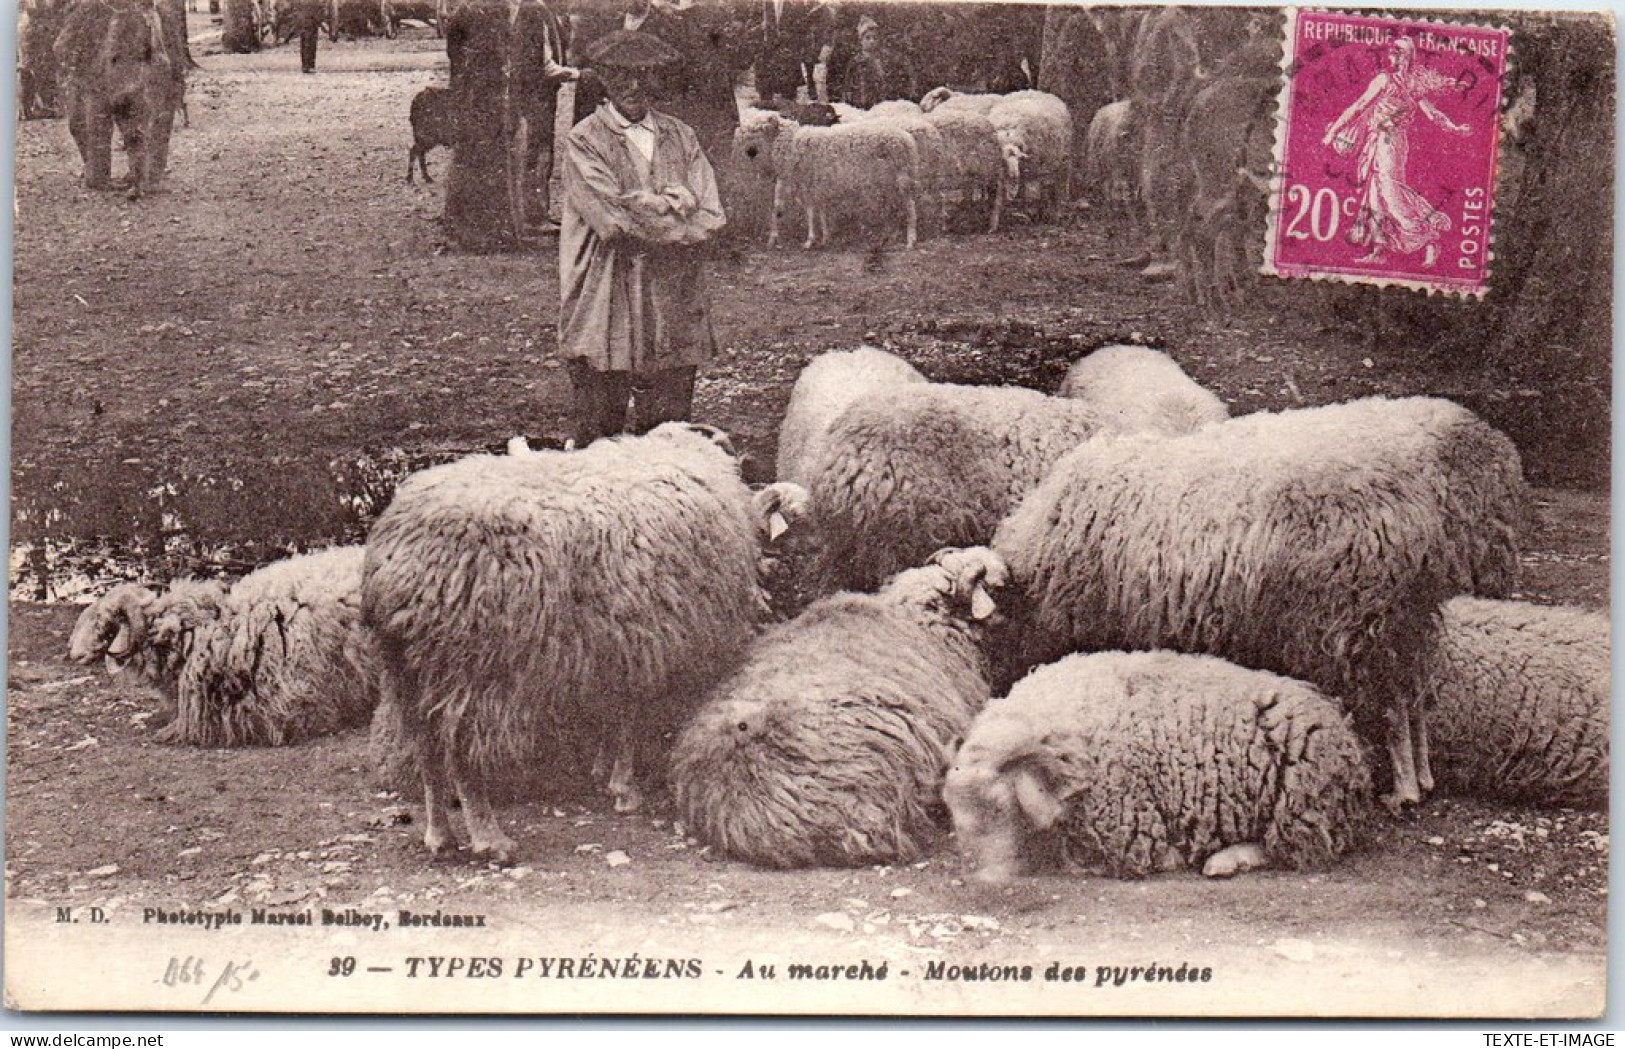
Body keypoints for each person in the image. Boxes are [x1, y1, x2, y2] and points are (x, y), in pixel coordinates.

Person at [557, 29, 726, 446]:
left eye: (643, 75)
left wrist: (651, 205)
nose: (633, 86)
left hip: (673, 297)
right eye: (621, 76)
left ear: (656, 78)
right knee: (599, 437)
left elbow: (712, 215)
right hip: (606, 297)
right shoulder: (584, 141)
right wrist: (676, 204)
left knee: (670, 434)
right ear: (605, 79)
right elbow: (613, 222)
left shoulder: (681, 136)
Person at [1323, 36, 1471, 268]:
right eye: (1392, 52)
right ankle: (1380, 248)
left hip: (1392, 142)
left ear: (1406, 57)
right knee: (1374, 193)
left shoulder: (1412, 86)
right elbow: (1360, 105)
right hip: (1375, 141)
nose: (1392, 56)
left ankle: (1428, 237)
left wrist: (1454, 128)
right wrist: (1334, 130)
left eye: (1397, 53)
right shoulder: (1384, 80)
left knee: (1391, 193)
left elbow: (1432, 113)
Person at [839, 14, 917, 110]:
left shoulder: (884, 60)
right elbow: (847, 87)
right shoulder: (856, 62)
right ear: (860, 41)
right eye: (868, 38)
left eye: (875, 38)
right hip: (861, 105)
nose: (872, 41)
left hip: (881, 105)